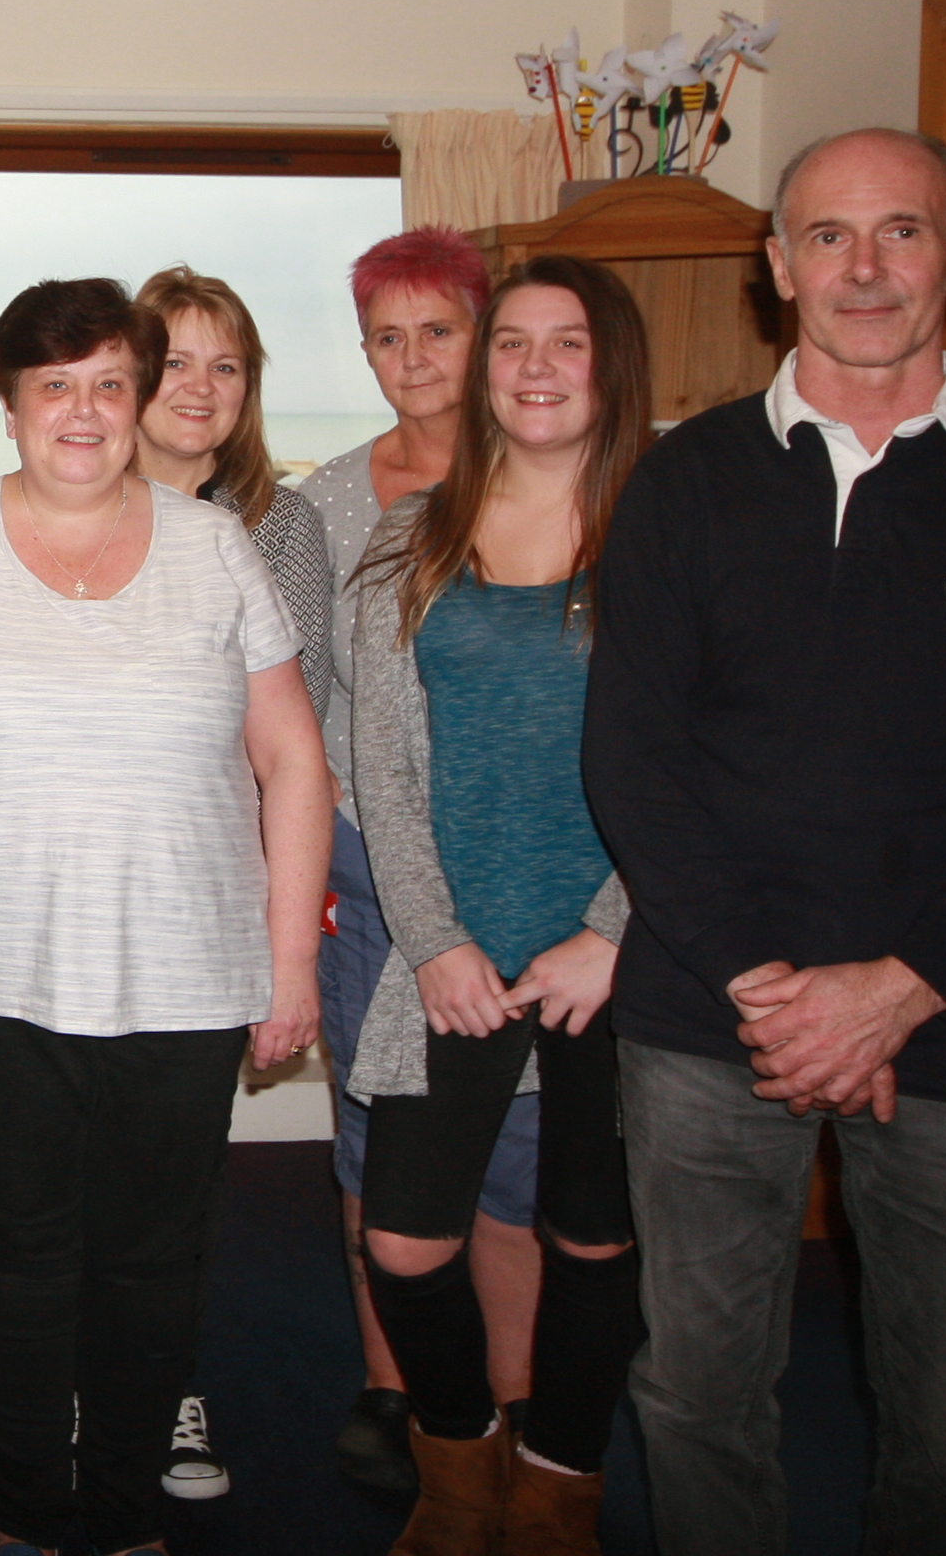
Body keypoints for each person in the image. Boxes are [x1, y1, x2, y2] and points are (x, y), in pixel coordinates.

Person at [586, 128, 946, 1556]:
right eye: (829, 238)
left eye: (902, 232)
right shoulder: (683, 481)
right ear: (777, 270)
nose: (867, 269)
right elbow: (636, 764)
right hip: (714, 1028)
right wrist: (772, 990)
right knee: (699, 1403)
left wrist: (898, 986)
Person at [0, 278, 331, 1556]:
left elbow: (295, 760)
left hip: (189, 974)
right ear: (11, 404)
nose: (82, 411)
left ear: (139, 400)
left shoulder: (213, 545)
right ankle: (28, 1517)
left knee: (149, 1263)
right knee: (21, 1261)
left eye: (107, 384)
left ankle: (124, 1516)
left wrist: (290, 958)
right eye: (52, 386)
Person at [343, 255, 653, 1556]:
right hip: (456, 964)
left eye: (564, 343)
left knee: (592, 1244)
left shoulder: (667, 534)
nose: (532, 367)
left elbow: (709, 758)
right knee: (407, 1244)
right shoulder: (408, 540)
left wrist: (612, 932)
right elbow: (386, 769)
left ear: (611, 364)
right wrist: (434, 942)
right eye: (511, 341)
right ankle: (457, 1468)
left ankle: (559, 1485)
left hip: (616, 966)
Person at [291, 227, 547, 1494]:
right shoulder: (323, 503)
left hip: (518, 873)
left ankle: (505, 1400)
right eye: (385, 337)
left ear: (485, 333)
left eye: (435, 331)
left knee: (514, 1150)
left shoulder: (553, 482)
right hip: (366, 867)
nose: (411, 359)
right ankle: (393, 1383)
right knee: (372, 1132)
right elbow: (282, 702)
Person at [126, 262, 335, 1499]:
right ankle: (73, 1393)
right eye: (177, 360)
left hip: (212, 902)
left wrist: (278, 935)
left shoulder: (281, 525)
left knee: (180, 1171)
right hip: (68, 895)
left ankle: (166, 1391)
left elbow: (286, 748)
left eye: (229, 364)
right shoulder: (53, 511)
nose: (200, 388)